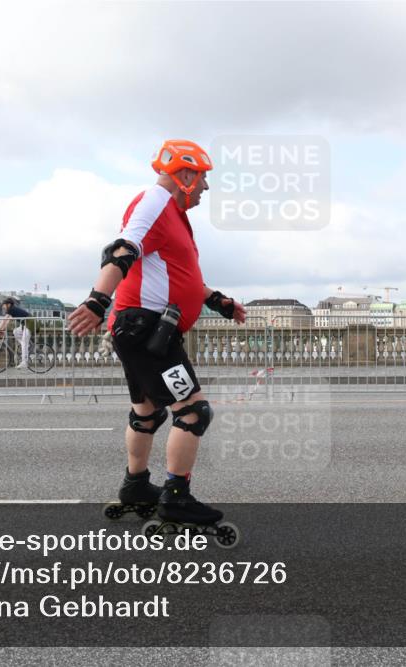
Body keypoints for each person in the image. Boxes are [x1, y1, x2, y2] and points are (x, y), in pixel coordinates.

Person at [67, 139, 246, 525]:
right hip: (146, 330)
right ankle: (176, 498)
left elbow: (179, 274)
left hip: (143, 329)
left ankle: (135, 486)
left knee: (147, 413)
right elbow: (122, 249)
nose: (205, 187)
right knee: (193, 411)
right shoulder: (155, 201)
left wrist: (219, 302)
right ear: (185, 175)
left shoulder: (172, 214)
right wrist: (97, 300)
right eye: (203, 178)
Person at [0, 297, 36, 370]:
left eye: (3, 305)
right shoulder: (12, 310)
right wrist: (1, 330)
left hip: (30, 324)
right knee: (15, 331)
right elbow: (7, 321)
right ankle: (25, 345)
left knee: (24, 343)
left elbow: (4, 320)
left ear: (8, 304)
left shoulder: (11, 309)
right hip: (25, 324)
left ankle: (24, 363)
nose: (3, 307)